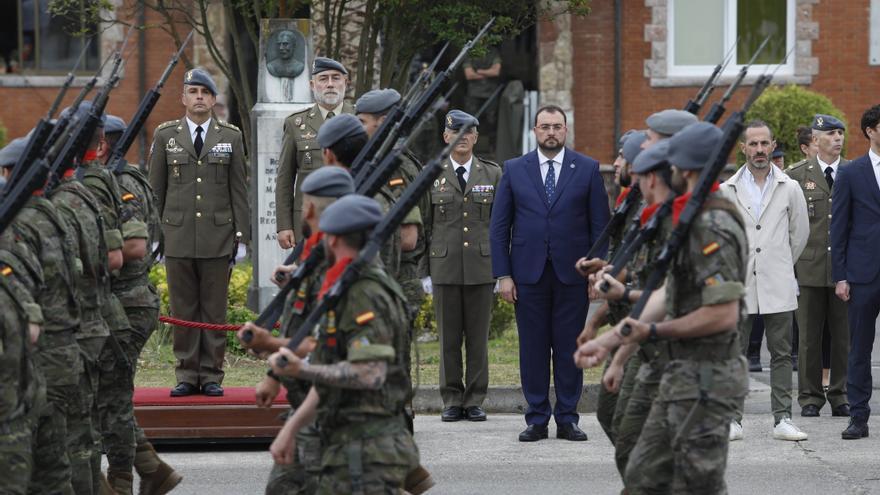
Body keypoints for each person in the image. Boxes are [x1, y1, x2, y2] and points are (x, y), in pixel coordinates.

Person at [575, 122, 749, 493]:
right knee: (642, 476)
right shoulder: (687, 220)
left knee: (697, 484)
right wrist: (609, 343)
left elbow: (723, 312)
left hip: (707, 376)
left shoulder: (712, 224)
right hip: (679, 369)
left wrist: (651, 332)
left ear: (682, 170)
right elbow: (666, 292)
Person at [268, 194, 420, 493]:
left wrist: (302, 370)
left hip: (370, 453)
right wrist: (292, 428)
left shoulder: (364, 293)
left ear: (334, 240)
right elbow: (330, 367)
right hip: (347, 443)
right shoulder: (345, 286)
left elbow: (369, 373)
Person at [490, 104, 610, 442]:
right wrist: (503, 275)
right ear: (535, 131)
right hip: (527, 276)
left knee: (570, 346)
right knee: (533, 348)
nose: (551, 132)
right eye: (545, 127)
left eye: (557, 126)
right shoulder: (514, 169)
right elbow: (500, 228)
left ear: (566, 130)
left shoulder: (586, 169)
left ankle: (568, 418)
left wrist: (595, 273)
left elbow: (600, 227)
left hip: (573, 275)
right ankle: (537, 418)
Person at [239, 166, 354, 495]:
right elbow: (301, 319)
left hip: (336, 413)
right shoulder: (315, 253)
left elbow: (330, 347)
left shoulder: (343, 269)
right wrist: (275, 377)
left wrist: (270, 343)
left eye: (305, 203)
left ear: (311, 209)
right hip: (308, 402)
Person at [148, 68, 250, 397]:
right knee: (183, 310)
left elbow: (239, 191)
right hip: (176, 235)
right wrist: (154, 234)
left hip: (218, 237)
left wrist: (241, 236)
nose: (199, 98)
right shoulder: (166, 136)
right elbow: (156, 191)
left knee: (214, 310)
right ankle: (186, 374)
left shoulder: (231, 136)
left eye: (205, 93)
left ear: (214, 99)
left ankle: (211, 376)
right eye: (193, 92)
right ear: (183, 98)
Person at [103, 114, 182, 492]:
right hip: (127, 301)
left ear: (103, 143)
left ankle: (120, 482)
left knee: (111, 396)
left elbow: (133, 247)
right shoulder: (127, 177)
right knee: (110, 393)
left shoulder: (120, 184)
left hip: (126, 302)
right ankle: (152, 469)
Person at [0, 136, 82, 494]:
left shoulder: (25, 231)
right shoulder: (54, 214)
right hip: (55, 358)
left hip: (29, 375)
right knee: (60, 463)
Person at [592, 139, 677, 483]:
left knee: (639, 441)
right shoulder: (638, 208)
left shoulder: (679, 219)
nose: (616, 163)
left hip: (666, 349)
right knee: (616, 422)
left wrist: (615, 346)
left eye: (624, 157)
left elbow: (666, 294)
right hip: (637, 336)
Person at [721, 120, 809, 441]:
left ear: (773, 147)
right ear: (743, 148)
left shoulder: (790, 187)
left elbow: (799, 235)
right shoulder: (726, 189)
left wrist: (780, 263)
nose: (759, 150)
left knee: (782, 352)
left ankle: (783, 418)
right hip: (740, 282)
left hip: (778, 280)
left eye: (764, 144)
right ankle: (733, 419)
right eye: (753, 144)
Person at [424, 110, 501, 422]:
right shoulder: (432, 174)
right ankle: (452, 398)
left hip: (482, 267)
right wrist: (424, 273)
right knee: (449, 338)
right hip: (444, 267)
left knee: (478, 338)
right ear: (446, 136)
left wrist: (503, 269)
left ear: (476, 137)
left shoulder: (493, 174)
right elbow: (425, 227)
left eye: (470, 131)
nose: (463, 137)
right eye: (457, 131)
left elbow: (501, 225)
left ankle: (475, 399)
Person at [573, 129, 646, 445]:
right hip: (625, 326)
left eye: (622, 157)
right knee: (610, 413)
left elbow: (642, 277)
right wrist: (594, 324)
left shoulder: (650, 211)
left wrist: (610, 272)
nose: (615, 163)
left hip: (644, 332)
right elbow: (624, 274)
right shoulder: (630, 203)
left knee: (628, 422)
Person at [787, 114, 851, 419]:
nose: (838, 138)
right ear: (816, 139)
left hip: (844, 270)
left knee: (843, 338)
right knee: (808, 339)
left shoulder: (854, 172)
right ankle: (810, 397)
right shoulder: (797, 175)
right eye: (831, 133)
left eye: (840, 133)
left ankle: (840, 394)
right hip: (809, 269)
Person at [831, 104, 880, 440]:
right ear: (871, 131)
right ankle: (858, 417)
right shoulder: (851, 172)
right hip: (863, 273)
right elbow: (839, 227)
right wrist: (841, 275)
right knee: (859, 348)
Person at [276, 57, 355, 248]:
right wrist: (284, 226)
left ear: (346, 82)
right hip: (308, 221)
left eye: (336, 78)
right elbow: (285, 178)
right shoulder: (296, 124)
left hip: (351, 217)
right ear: (312, 85)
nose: (330, 84)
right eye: (323, 79)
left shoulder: (358, 120)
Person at [463, 47, 502, 156]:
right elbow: (469, 74)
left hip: (490, 94)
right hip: (473, 95)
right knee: (471, 123)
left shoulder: (493, 52)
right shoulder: (470, 53)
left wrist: (479, 71)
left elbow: (496, 71)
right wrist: (487, 72)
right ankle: (470, 150)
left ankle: (492, 149)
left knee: (492, 122)